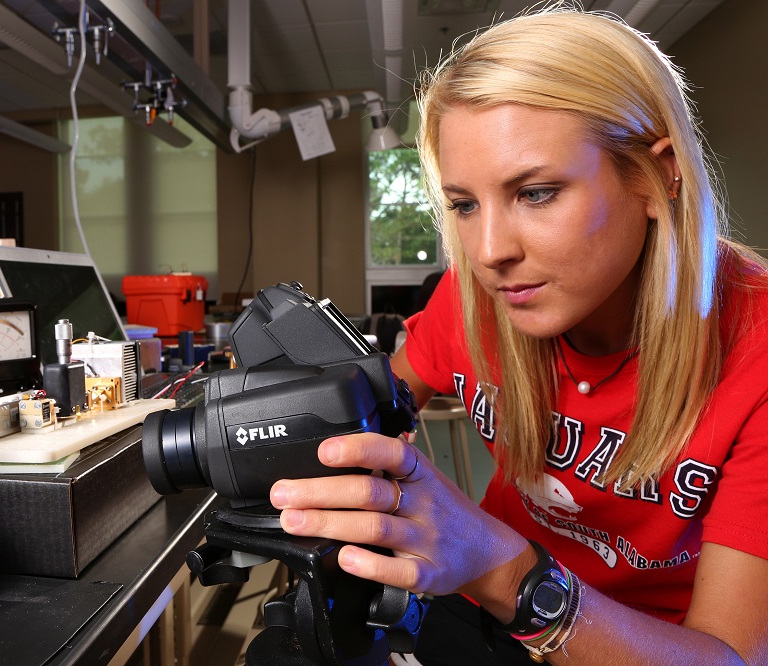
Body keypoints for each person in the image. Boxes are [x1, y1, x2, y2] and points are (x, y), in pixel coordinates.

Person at [269, 5, 768, 665]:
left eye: (535, 193)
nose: (489, 251)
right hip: (482, 610)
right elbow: (368, 410)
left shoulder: (754, 350)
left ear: (658, 177)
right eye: (465, 205)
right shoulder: (478, 298)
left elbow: (728, 658)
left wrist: (502, 569)